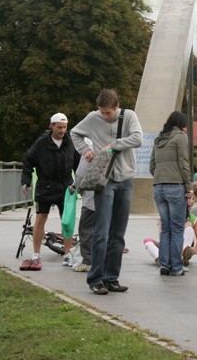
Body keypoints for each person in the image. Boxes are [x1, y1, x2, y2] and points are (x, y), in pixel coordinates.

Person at [71, 89, 143, 295]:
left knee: (118, 232)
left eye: (108, 113)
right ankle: (95, 278)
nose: (104, 116)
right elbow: (74, 133)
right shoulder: (93, 118)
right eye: (102, 112)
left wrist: (115, 145)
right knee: (101, 230)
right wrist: (86, 151)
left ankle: (111, 277)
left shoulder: (129, 116)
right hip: (105, 179)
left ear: (117, 107)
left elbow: (138, 138)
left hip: (126, 178)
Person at [20, 112, 77, 271]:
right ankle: (36, 254)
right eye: (59, 127)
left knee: (67, 221)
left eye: (65, 127)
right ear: (51, 126)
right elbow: (28, 162)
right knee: (40, 218)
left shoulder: (70, 142)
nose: (62, 130)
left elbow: (78, 165)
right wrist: (26, 182)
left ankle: (67, 253)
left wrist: (80, 183)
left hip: (66, 187)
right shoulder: (41, 143)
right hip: (45, 186)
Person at [149, 110, 193, 277]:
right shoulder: (180, 137)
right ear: (181, 124)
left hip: (158, 187)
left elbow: (152, 166)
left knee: (165, 228)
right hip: (175, 186)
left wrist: (161, 177)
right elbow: (184, 163)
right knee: (177, 228)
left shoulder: (158, 139)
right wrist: (189, 188)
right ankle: (176, 267)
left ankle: (164, 265)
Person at [144, 181, 197, 268]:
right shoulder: (167, 217)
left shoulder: (194, 219)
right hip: (169, 246)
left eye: (193, 200)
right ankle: (160, 258)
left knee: (189, 227)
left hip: (184, 248)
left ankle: (181, 257)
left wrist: (196, 249)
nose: (191, 202)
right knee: (147, 241)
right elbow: (164, 237)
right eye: (188, 199)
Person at [71, 139, 95, 272]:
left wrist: (77, 188)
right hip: (110, 196)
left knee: (86, 230)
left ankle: (87, 261)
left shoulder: (89, 145)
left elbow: (80, 173)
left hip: (91, 197)